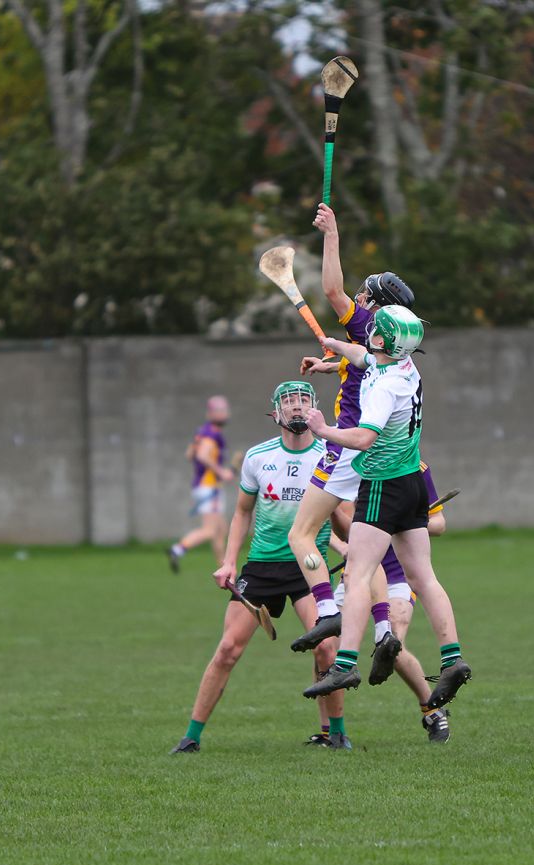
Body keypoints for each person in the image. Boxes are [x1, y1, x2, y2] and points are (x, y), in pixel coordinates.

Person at [300, 307, 471, 709]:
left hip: (382, 485)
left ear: (381, 340)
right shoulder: (403, 364)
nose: (370, 330)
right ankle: (452, 658)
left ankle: (344, 663)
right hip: (413, 482)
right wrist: (334, 349)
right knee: (424, 577)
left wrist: (323, 429)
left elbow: (362, 437)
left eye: (375, 330)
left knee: (358, 575)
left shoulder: (383, 388)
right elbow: (362, 358)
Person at [171, 382, 350, 753]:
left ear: (315, 408)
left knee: (327, 650)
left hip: (308, 570)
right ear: (276, 413)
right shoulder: (258, 457)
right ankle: (191, 737)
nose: (297, 408)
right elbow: (241, 513)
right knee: (227, 650)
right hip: (263, 567)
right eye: (290, 402)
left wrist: (353, 550)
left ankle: (335, 734)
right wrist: (228, 562)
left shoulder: (331, 455)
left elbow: (340, 515)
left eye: (304, 401)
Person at [285, 203, 412, 644]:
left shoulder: (371, 322)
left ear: (377, 307)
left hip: (346, 446)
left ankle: (326, 608)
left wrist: (331, 233)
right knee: (355, 543)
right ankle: (382, 629)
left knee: (300, 534)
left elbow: (333, 290)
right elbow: (361, 364)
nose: (358, 299)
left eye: (366, 295)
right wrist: (329, 363)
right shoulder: (396, 343)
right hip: (381, 457)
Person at [327, 462, 453, 742]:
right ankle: (331, 731)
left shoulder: (416, 468)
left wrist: (401, 523)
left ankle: (432, 710)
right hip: (360, 576)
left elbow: (440, 524)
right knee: (326, 648)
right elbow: (343, 530)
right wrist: (344, 533)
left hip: (397, 575)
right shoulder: (353, 464)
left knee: (391, 644)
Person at [168, 396, 236, 571]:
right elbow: (201, 456)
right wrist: (222, 472)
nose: (224, 414)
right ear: (211, 413)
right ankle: (178, 549)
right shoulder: (212, 434)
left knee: (221, 529)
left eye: (224, 410)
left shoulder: (203, 432)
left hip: (204, 486)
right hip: (209, 487)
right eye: (219, 410)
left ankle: (223, 566)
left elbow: (189, 454)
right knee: (210, 530)